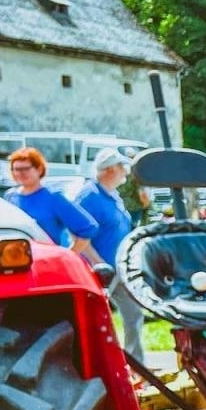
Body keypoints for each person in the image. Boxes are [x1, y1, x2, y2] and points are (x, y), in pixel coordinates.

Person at [75, 150, 145, 356]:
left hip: (118, 267)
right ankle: (103, 363)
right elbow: (77, 234)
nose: (126, 172)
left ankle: (136, 364)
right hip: (99, 272)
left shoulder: (112, 194)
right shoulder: (89, 196)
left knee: (134, 314)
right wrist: (99, 264)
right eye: (123, 167)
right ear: (111, 170)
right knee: (97, 321)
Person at [5, 147, 97, 256]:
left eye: (26, 169)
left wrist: (65, 257)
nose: (21, 173)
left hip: (44, 261)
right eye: (17, 169)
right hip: (13, 260)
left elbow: (87, 228)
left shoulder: (53, 197)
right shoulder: (10, 196)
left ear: (39, 169)